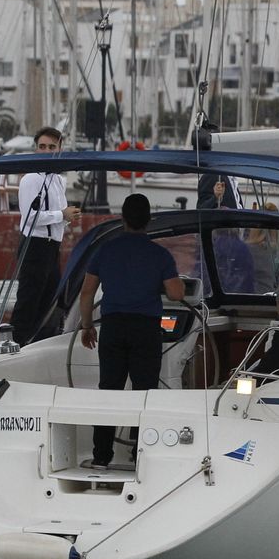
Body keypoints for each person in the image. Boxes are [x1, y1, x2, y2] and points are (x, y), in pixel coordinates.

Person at [78, 193, 184, 469]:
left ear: (122, 218)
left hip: (112, 327)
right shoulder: (160, 255)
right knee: (144, 392)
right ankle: (140, 455)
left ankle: (101, 456)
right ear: (149, 221)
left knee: (109, 391)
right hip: (146, 330)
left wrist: (87, 326)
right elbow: (175, 293)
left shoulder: (106, 251)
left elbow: (87, 292)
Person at [10, 127, 82, 343]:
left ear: (60, 149)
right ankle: (18, 342)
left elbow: (57, 216)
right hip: (35, 245)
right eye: (42, 146)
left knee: (50, 299)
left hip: (52, 247)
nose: (47, 150)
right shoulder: (30, 179)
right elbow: (30, 217)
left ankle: (40, 342)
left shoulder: (59, 181)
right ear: (36, 149)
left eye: (52, 147)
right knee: (28, 299)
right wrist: (62, 214)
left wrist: (67, 217)